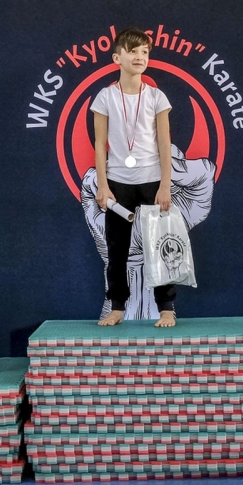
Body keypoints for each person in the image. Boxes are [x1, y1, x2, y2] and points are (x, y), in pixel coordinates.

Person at [92, 28, 178, 328]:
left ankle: (166, 307)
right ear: (117, 58)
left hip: (152, 180)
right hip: (117, 182)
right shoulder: (105, 97)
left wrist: (165, 184)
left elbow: (165, 142)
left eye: (145, 52)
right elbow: (99, 144)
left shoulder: (156, 96)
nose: (140, 57)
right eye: (133, 51)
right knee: (117, 249)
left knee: (161, 245)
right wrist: (103, 185)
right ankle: (117, 306)